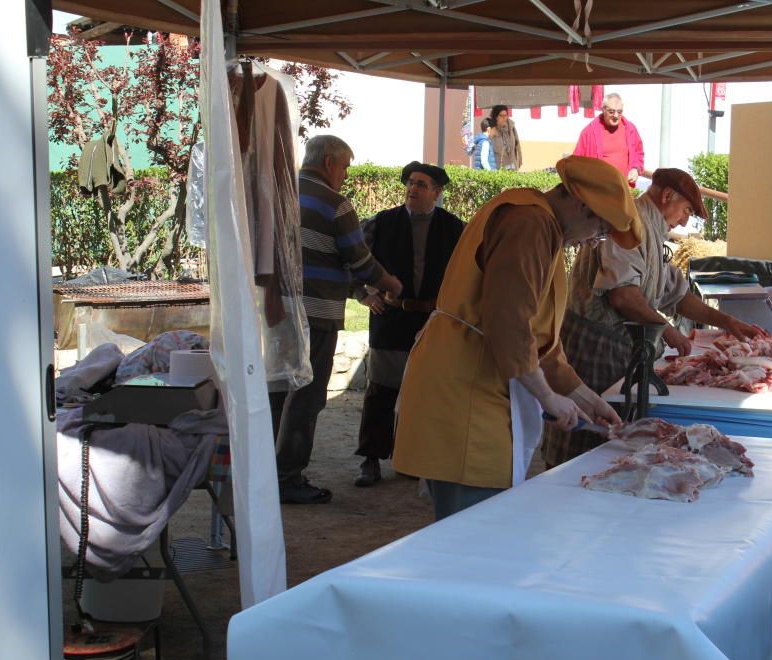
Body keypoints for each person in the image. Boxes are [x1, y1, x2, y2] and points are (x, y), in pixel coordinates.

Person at [392, 156, 644, 521]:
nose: (592, 242)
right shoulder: (530, 222)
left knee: (481, 518)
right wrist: (548, 398)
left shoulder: (542, 222)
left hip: (476, 381)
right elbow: (509, 322)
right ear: (580, 205)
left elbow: (540, 336)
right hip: (466, 387)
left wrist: (587, 399)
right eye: (599, 230)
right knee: (473, 528)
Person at [541, 168, 766, 467]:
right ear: (667, 195)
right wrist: (667, 330)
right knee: (584, 441)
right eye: (686, 209)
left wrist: (727, 322)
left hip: (620, 345)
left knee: (611, 438)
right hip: (594, 344)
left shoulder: (652, 229)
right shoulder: (628, 219)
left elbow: (677, 295)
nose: (686, 220)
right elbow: (622, 294)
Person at [271, 135, 403, 504]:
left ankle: (266, 474)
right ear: (329, 162)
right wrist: (390, 284)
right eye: (345, 167)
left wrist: (359, 292)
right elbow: (358, 260)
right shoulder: (335, 204)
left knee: (277, 391)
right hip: (316, 316)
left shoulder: (280, 192)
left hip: (275, 312)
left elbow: (322, 259)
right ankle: (288, 479)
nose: (345, 174)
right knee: (307, 398)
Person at [352, 162, 465, 486]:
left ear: (437, 192)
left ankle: (413, 459)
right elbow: (353, 259)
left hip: (433, 322)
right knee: (381, 389)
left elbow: (469, 272)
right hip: (390, 317)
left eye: (421, 184)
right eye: (411, 183)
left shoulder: (454, 228)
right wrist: (363, 295)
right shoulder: (381, 223)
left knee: (426, 393)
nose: (413, 189)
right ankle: (370, 460)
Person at [572, 92, 645, 184]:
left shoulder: (630, 129)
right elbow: (576, 162)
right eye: (611, 111)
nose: (615, 115)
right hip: (598, 188)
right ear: (603, 110)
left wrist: (636, 169)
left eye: (619, 112)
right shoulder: (589, 132)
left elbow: (639, 153)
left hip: (622, 188)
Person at [489, 104, 522, 171]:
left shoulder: (511, 127)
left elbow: (517, 144)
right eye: (501, 115)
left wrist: (519, 160)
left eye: (506, 115)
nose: (504, 118)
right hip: (499, 168)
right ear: (496, 117)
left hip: (512, 166)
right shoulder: (491, 130)